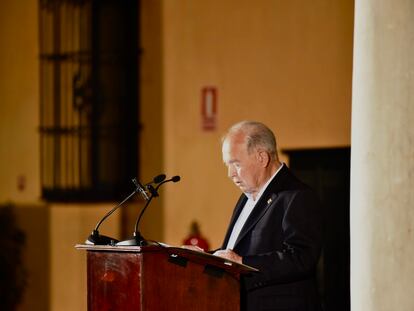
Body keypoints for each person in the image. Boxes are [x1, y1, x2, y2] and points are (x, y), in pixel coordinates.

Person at [213, 121, 323, 311]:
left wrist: (243, 263)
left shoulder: (297, 196)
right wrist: (203, 257)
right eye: (227, 165)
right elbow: (238, 252)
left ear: (262, 158)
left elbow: (302, 257)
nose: (230, 174)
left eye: (236, 164)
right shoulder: (245, 198)